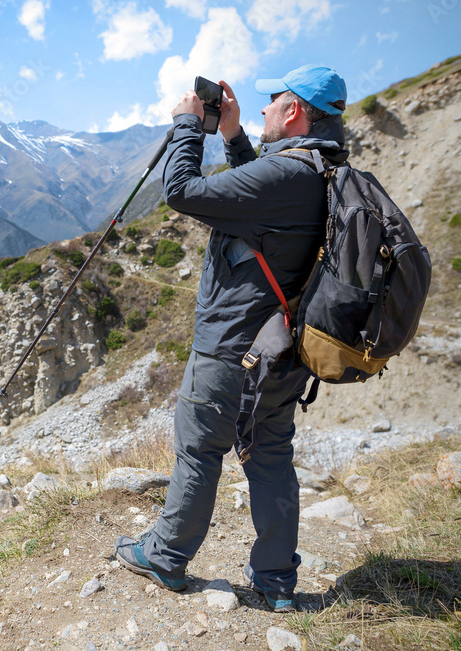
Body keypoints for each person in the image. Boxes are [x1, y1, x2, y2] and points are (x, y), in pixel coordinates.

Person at [115, 65, 348, 613]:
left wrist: (186, 126)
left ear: (294, 112)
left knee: (198, 450)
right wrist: (235, 136)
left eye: (272, 102)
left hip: (231, 347)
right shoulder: (319, 170)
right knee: (270, 456)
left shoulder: (284, 176)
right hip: (282, 348)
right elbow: (255, 209)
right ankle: (275, 581)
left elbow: (183, 192)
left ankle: (166, 555)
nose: (263, 109)